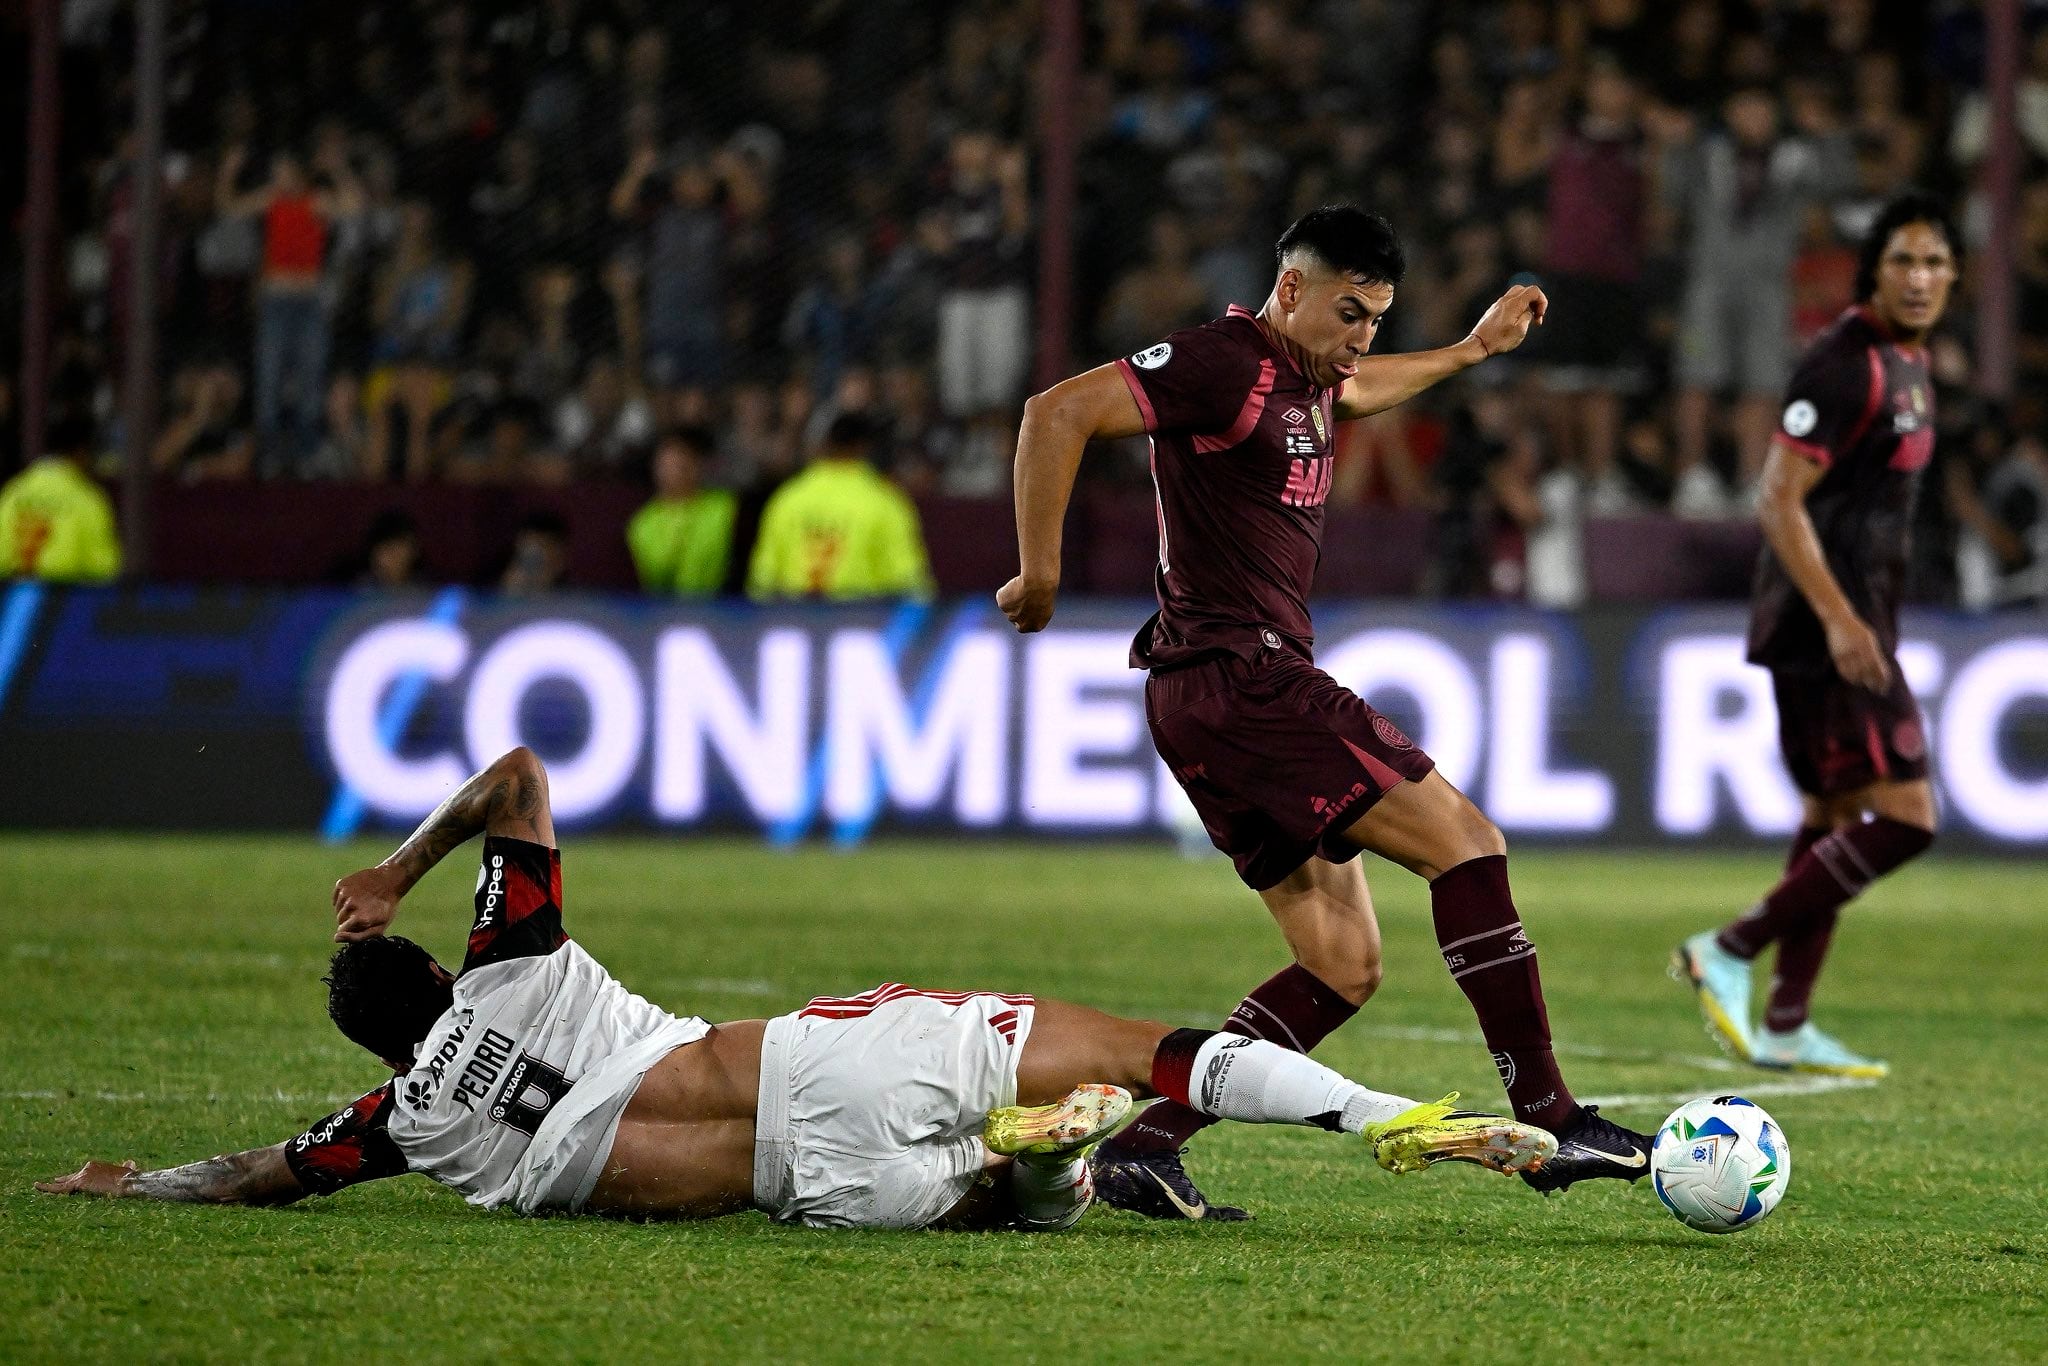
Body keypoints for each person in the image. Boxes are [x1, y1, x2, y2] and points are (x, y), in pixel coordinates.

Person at [33, 748, 1555, 1230]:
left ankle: (1046, 1173)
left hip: (816, 1190)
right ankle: (1382, 1118)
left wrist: (125, 1182)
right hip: (814, 1071)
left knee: (1020, 1202)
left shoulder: (402, 1126)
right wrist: (399, 868)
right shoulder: (510, 963)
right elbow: (517, 778)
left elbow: (258, 1173)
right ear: (436, 966)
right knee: (1152, 1050)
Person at [997, 204, 1652, 1220]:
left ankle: (1147, 1148)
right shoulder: (1221, 362)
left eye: (1376, 319)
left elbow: (1358, 387)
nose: (1362, 339)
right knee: (1467, 845)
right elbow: (1054, 411)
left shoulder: (1307, 375)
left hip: (1208, 696)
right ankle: (1553, 1113)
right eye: (1350, 312)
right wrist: (1038, 576)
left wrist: (1473, 349)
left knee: (1340, 964)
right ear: (1291, 288)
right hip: (1244, 679)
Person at [1673, 193, 1959, 1079]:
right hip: (1823, 625)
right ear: (1873, 268)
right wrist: (1840, 619)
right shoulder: (1843, 366)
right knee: (1909, 817)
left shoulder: (1908, 362)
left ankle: (1789, 1020)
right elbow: (1776, 499)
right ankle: (1728, 946)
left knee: (1831, 816)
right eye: (1904, 261)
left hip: (1852, 617)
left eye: (1936, 264)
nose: (1919, 278)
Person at [747, 412, 933, 601]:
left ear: (824, 445)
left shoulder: (788, 499)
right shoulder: (885, 502)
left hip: (795, 620)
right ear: (865, 447)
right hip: (862, 623)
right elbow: (910, 585)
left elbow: (762, 583)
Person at [0, 411, 121, 583]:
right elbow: (104, 571)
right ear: (81, 452)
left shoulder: (12, 493)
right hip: (66, 603)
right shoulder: (87, 500)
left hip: (13, 602)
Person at [628, 427, 736, 597]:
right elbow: (653, 573)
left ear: (696, 465)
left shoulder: (725, 508)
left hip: (719, 604)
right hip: (661, 609)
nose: (674, 471)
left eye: (681, 463)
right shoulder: (643, 522)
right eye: (666, 464)